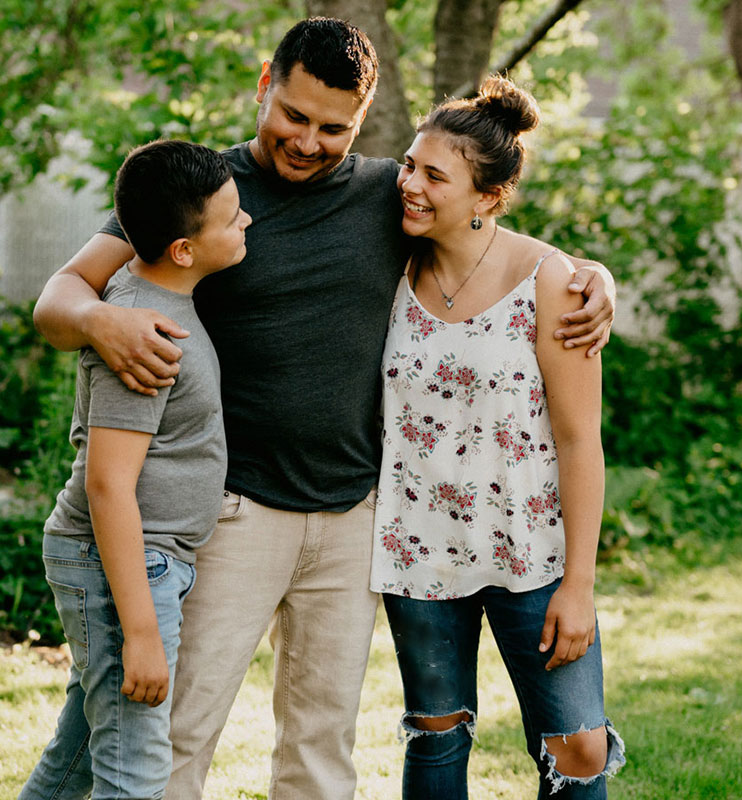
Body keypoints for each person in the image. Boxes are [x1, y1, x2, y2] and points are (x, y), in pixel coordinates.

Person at [31, 17, 615, 800]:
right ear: (265, 84)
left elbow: (489, 238)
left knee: (320, 750)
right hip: (235, 514)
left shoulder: (388, 196)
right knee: (175, 733)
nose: (307, 140)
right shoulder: (206, 196)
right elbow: (58, 297)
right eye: (294, 116)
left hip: (354, 522)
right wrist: (102, 319)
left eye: (332, 127)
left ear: (362, 121)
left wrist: (592, 275)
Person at [372, 76, 624, 799]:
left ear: (487, 197)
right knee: (437, 739)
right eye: (410, 165)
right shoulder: (391, 263)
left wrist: (579, 583)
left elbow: (580, 441)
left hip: (533, 555)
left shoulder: (552, 283)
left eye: (433, 176)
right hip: (418, 550)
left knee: (576, 746)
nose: (409, 185)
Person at [20, 140, 252, 800]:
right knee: (135, 769)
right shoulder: (143, 336)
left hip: (142, 560)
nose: (247, 223)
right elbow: (107, 483)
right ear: (183, 249)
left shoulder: (154, 300)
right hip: (124, 563)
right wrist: (142, 633)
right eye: (232, 217)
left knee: (82, 756)